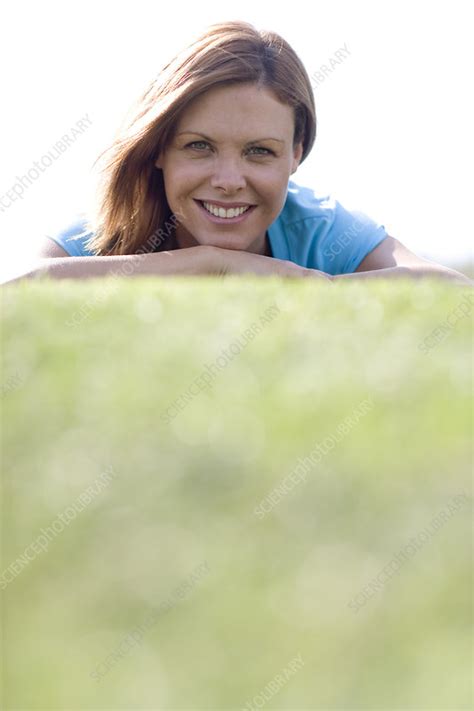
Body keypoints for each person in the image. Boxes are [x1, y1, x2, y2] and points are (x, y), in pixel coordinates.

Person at [4, 20, 471, 286]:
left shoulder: (319, 228)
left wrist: (314, 286)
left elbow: (449, 289)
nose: (229, 179)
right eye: (199, 146)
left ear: (296, 154)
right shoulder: (110, 227)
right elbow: (18, 284)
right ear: (159, 150)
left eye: (259, 152)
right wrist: (211, 265)